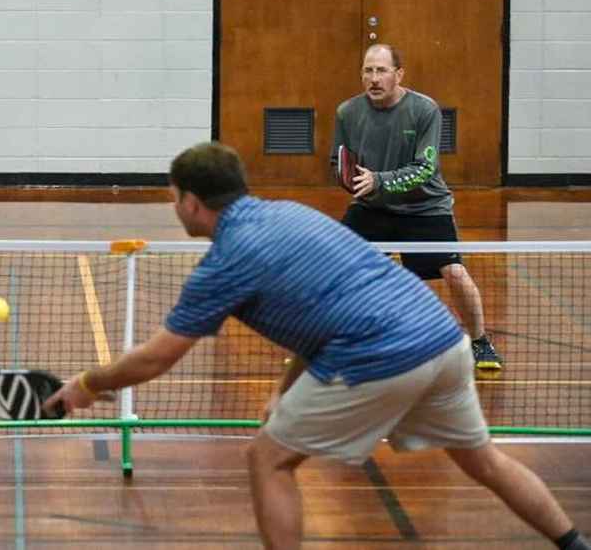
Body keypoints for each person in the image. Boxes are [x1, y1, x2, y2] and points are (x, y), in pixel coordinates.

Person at [44, 143, 588, 550]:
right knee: (485, 462)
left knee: (268, 459)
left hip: (381, 356)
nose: (173, 206)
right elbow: (323, 316)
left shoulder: (226, 261)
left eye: (173, 197)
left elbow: (159, 356)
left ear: (190, 202)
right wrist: (283, 394)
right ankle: (574, 544)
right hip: (443, 341)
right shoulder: (291, 213)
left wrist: (86, 385)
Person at [331, 43, 502, 373]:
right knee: (336, 269)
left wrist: (378, 180)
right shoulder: (347, 113)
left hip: (425, 207)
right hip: (372, 207)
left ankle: (480, 340)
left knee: (453, 272)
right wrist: (351, 181)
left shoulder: (425, 110)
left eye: (381, 70)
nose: (374, 78)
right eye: (368, 70)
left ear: (399, 74)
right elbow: (338, 162)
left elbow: (424, 168)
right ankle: (329, 343)